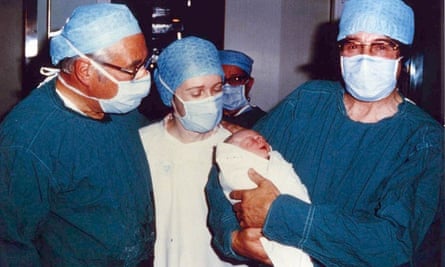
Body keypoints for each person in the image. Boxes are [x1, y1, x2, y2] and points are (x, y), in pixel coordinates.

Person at [205, 0, 444, 266]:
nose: (364, 58)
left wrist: (278, 215)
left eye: (381, 46)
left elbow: (390, 244)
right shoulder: (308, 102)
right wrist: (233, 238)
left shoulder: (422, 140)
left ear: (403, 57)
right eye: (353, 45)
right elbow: (227, 168)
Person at [0, 4, 155, 266]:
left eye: (145, 62)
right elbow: (11, 245)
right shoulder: (29, 141)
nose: (143, 75)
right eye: (133, 67)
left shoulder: (119, 107)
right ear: (85, 70)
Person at [138, 36, 246, 267]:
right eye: (196, 93)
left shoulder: (238, 146)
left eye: (217, 89)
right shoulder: (144, 146)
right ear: (169, 95)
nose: (210, 101)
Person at [215, 129, 312, 267]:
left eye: (261, 137)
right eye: (251, 140)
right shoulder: (238, 172)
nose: (260, 140)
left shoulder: (274, 162)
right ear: (234, 154)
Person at [219, 50, 266, 128]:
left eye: (236, 79)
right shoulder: (210, 118)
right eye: (221, 79)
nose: (227, 86)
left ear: (249, 83)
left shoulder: (262, 121)